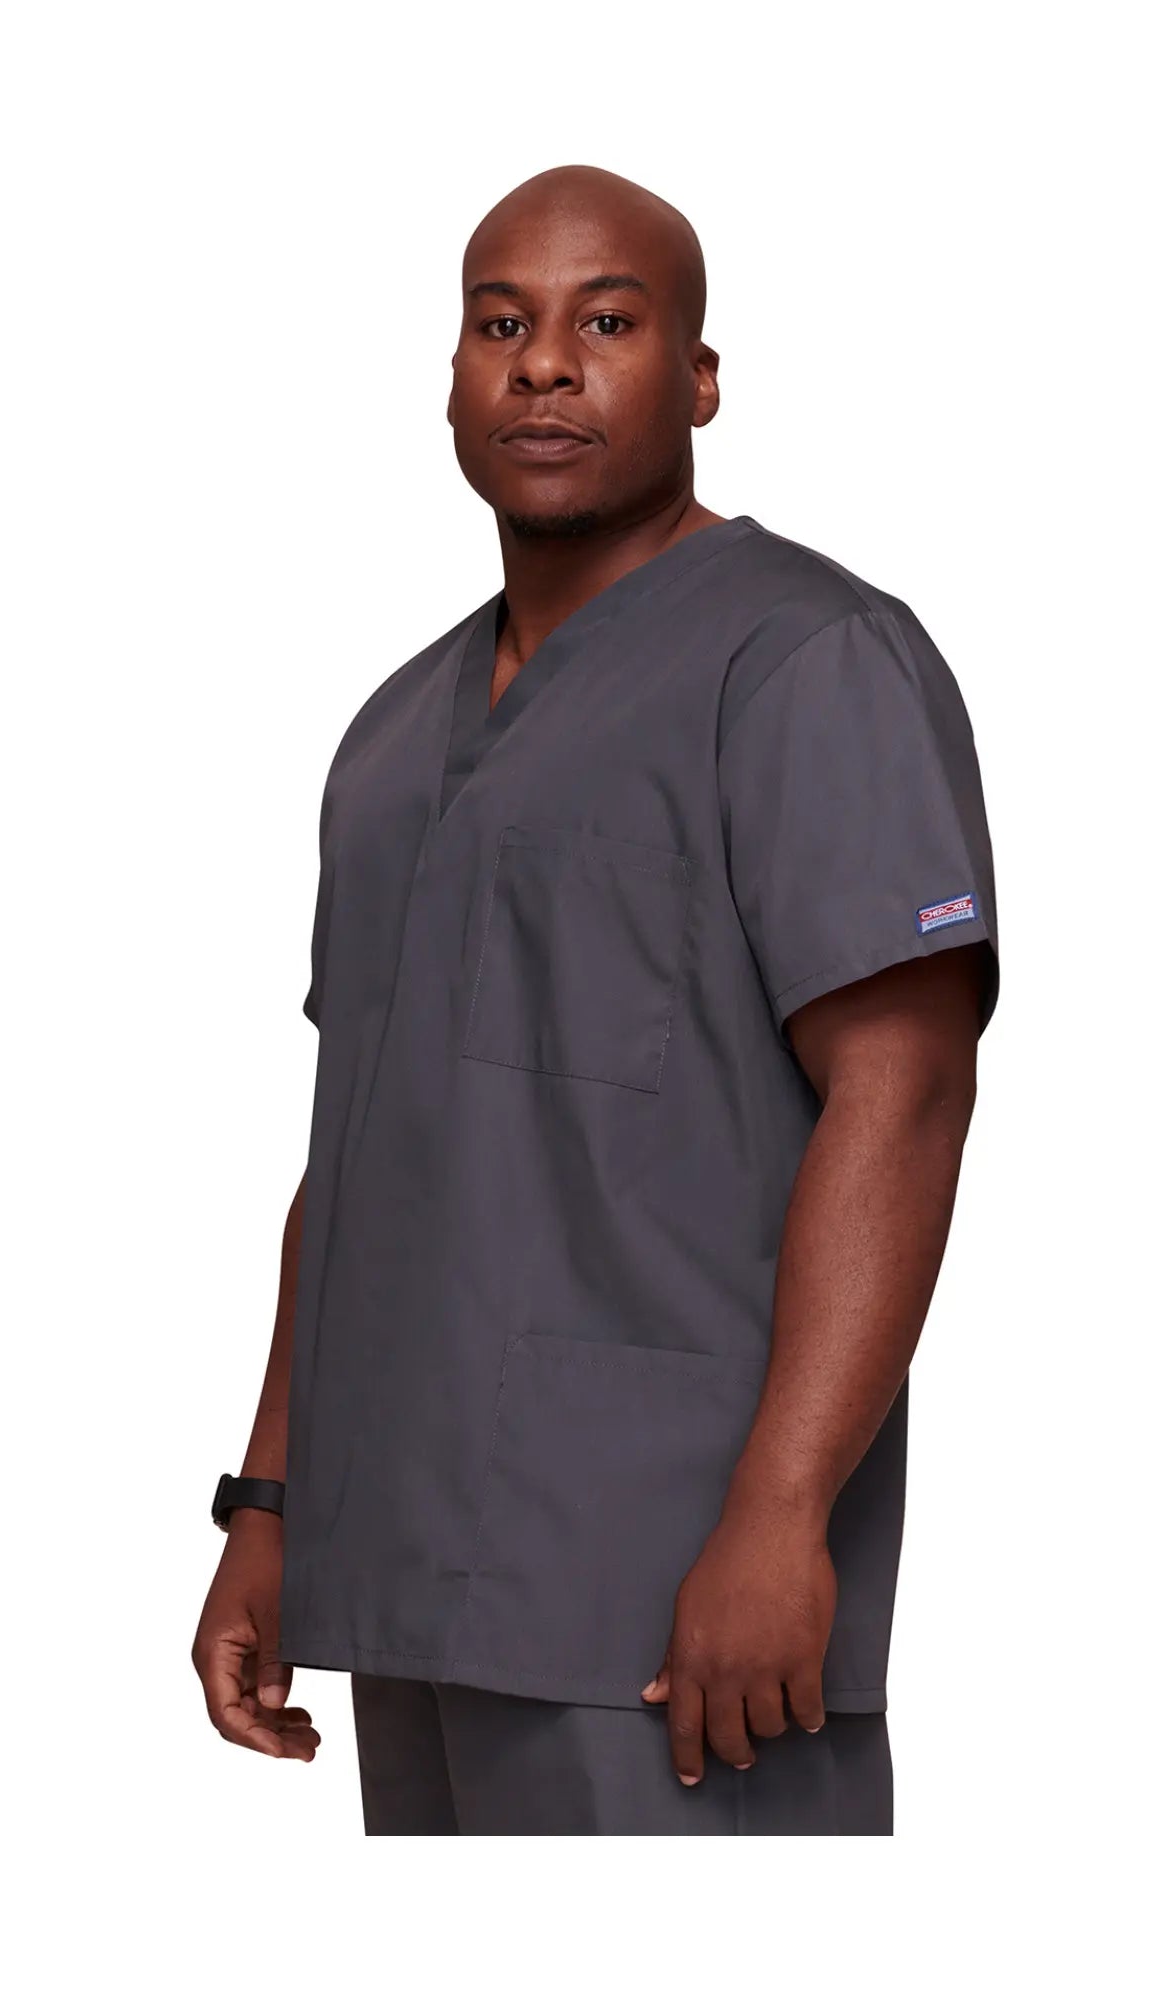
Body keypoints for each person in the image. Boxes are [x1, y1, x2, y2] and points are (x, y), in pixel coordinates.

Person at [191, 164, 999, 1835]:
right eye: (502, 325)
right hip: (409, 1582)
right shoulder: (391, 741)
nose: (545, 363)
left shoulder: (809, 663)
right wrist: (269, 1501)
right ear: (453, 379)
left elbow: (906, 1089)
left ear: (700, 379)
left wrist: (782, 1510)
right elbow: (355, 1155)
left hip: (677, 1610)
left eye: (607, 322)